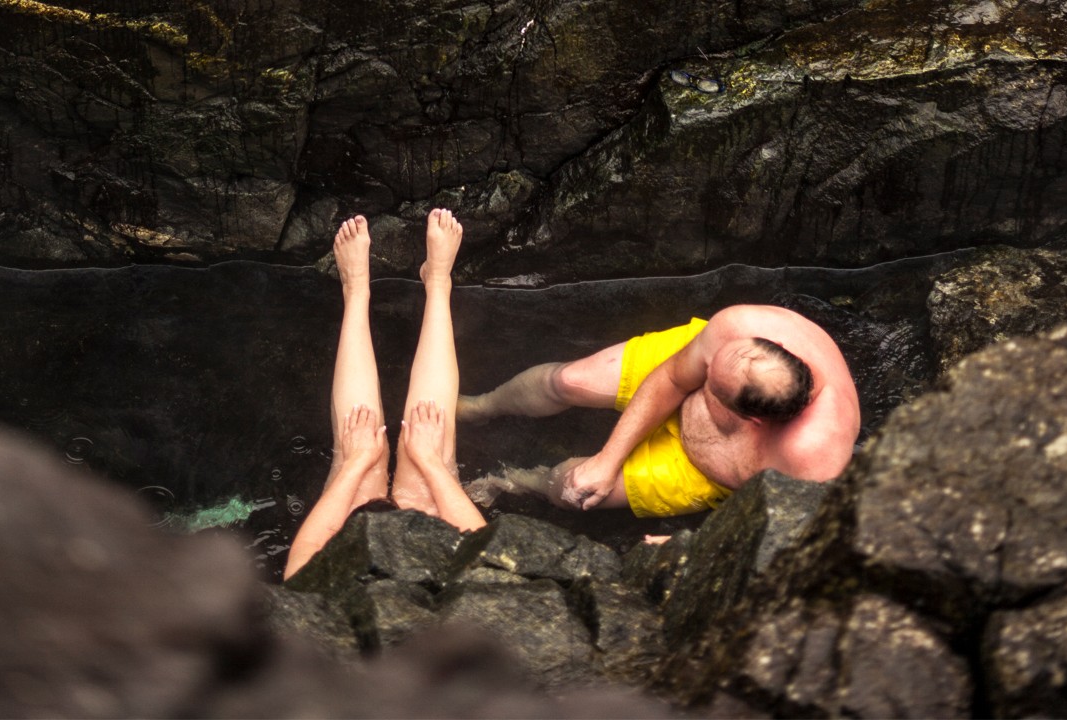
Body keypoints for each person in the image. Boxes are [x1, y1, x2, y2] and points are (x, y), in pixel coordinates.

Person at [457, 306, 860, 518]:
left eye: (712, 390)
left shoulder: (814, 460)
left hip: (700, 471)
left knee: (572, 490)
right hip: (696, 389)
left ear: (753, 419)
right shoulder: (739, 331)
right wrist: (607, 458)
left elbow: (781, 529)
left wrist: (689, 549)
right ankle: (482, 406)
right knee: (568, 382)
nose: (700, 385)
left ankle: (510, 482)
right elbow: (672, 380)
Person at [285, 209, 485, 580]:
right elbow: (482, 549)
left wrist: (357, 462)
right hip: (423, 562)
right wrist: (430, 463)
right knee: (428, 450)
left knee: (358, 451)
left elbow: (302, 563)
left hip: (359, 569)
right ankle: (439, 283)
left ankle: (356, 289)